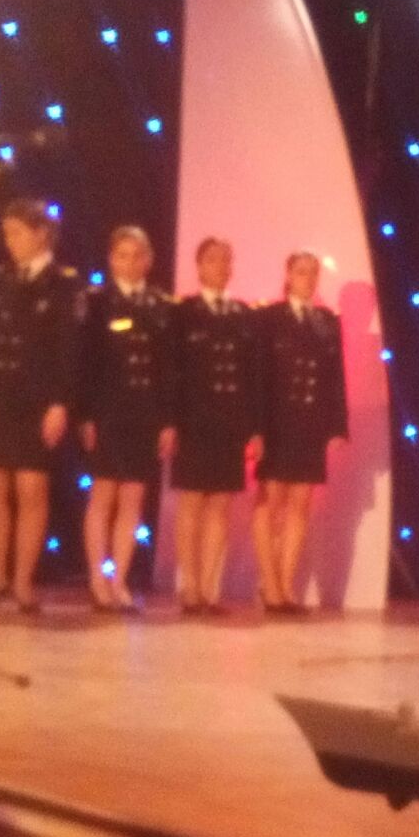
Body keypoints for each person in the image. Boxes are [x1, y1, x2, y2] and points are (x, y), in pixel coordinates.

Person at [0, 199, 81, 615]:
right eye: (6, 233)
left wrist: (60, 403)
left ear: (41, 234)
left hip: (36, 399)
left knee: (31, 489)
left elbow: (69, 350)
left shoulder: (63, 283)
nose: (9, 241)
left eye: (17, 232)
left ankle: (23, 581)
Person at [77, 225, 176, 613]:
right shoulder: (97, 301)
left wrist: (167, 421)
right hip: (107, 410)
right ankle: (96, 577)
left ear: (148, 261)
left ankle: (119, 579)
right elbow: (86, 363)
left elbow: (168, 369)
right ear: (111, 259)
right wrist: (86, 414)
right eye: (122, 255)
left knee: (133, 496)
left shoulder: (161, 305)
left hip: (145, 412)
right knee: (102, 493)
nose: (130, 263)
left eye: (137, 256)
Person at [252, 251, 347, 616]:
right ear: (288, 275)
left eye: (313, 273)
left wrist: (337, 425)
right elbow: (259, 375)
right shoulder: (269, 317)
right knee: (270, 500)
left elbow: (335, 376)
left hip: (309, 422)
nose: (308, 279)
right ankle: (269, 583)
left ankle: (285, 585)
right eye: (301, 272)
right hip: (276, 421)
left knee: (301, 504)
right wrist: (256, 428)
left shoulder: (326, 321)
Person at [169, 237, 258, 617]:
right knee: (191, 502)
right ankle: (189, 586)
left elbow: (252, 376)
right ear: (199, 266)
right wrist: (171, 422)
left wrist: (252, 428)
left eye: (227, 260)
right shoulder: (183, 312)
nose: (222, 267)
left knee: (221, 504)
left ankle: (210, 588)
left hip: (229, 421)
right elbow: (171, 371)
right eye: (213, 260)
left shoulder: (242, 314)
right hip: (192, 421)